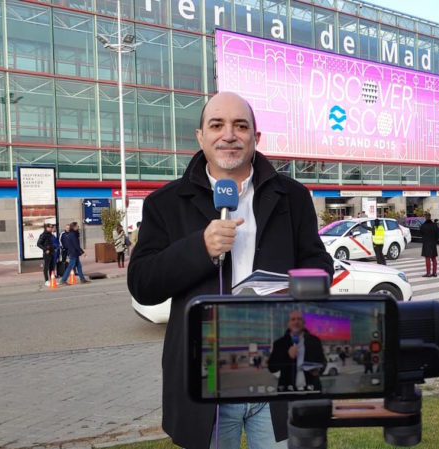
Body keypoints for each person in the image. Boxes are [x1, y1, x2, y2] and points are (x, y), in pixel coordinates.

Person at [127, 92, 334, 449]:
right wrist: (200, 248)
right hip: (205, 377)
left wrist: (292, 291)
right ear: (200, 137)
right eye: (217, 125)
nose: (229, 134)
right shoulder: (165, 203)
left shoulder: (293, 197)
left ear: (256, 137)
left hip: (278, 374)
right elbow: (143, 284)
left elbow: (320, 267)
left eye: (241, 125)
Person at [267, 310, 327, 392]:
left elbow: (323, 361)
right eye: (293, 319)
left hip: (312, 389)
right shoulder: (279, 343)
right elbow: (272, 367)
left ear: (303, 323)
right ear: (288, 323)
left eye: (299, 319)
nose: (296, 322)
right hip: (287, 391)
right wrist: (287, 355)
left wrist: (319, 369)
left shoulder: (315, 341)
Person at [420, 212, 439, 277]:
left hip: (426, 243)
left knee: (427, 258)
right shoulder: (435, 225)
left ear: (425, 217)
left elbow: (421, 234)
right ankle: (434, 273)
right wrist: (435, 240)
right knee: (434, 258)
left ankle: (428, 273)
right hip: (433, 243)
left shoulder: (423, 226)